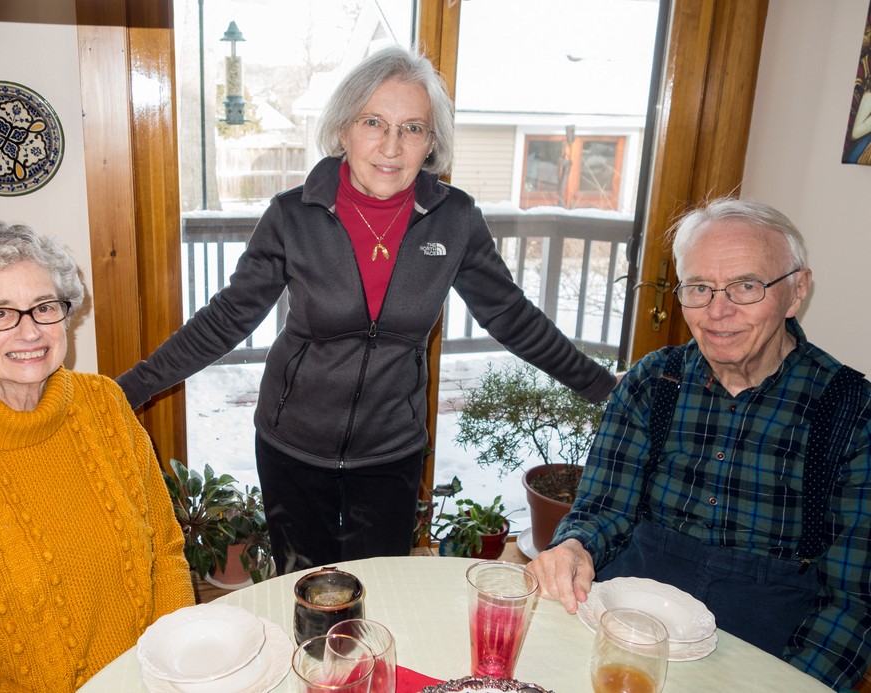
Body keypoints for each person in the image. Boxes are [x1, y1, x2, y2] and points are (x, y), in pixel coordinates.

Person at [117, 46, 616, 575]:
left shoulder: (455, 221)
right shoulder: (293, 216)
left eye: (413, 128)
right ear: (343, 130)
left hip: (390, 452)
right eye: (373, 122)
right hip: (293, 446)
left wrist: (607, 389)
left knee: (377, 593)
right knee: (307, 593)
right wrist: (127, 390)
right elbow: (226, 319)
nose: (392, 146)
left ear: (431, 144)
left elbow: (513, 317)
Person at [527, 199, 871, 690]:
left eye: (746, 286)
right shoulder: (653, 381)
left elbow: (853, 600)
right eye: (699, 288)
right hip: (626, 634)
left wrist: (794, 686)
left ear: (796, 292)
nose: (717, 311)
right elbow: (604, 510)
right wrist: (575, 547)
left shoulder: (851, 410)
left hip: (767, 651)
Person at [0, 221, 195, 692]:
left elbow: (165, 554)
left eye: (44, 307)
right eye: (0, 313)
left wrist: (171, 666)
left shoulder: (105, 405)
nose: (30, 332)